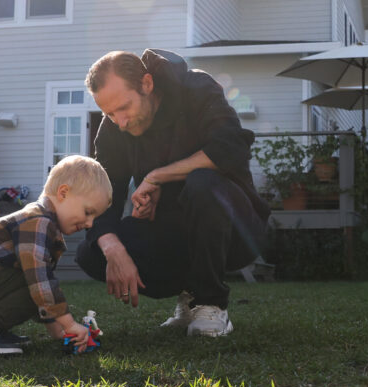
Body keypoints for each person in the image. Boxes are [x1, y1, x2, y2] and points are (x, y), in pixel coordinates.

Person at [77, 49, 270, 337]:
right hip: (173, 234)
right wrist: (113, 249)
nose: (121, 122)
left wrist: (157, 177)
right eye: (109, 113)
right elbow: (104, 197)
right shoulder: (114, 129)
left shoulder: (196, 88)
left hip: (237, 230)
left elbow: (232, 147)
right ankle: (189, 298)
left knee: (203, 183)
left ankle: (211, 304)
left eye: (124, 107)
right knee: (90, 252)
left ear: (147, 84)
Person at [0, 155, 112, 355]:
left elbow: (39, 288)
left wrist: (58, 330)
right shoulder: (38, 221)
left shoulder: (44, 223)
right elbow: (39, 280)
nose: (90, 223)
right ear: (63, 193)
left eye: (94, 217)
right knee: (37, 282)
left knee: (37, 283)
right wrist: (69, 324)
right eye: (88, 212)